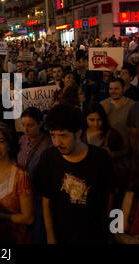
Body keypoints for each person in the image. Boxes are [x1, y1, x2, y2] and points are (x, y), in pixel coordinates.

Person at [39, 104, 115, 244]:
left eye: (63, 136)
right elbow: (46, 199)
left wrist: (114, 232)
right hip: (61, 234)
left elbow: (111, 198)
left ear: (79, 133)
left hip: (94, 235)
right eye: (52, 135)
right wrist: (50, 236)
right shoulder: (48, 158)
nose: (57, 142)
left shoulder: (101, 159)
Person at [17, 107, 51, 244]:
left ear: (40, 124)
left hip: (39, 199)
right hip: (22, 197)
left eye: (30, 125)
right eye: (23, 125)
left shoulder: (48, 145)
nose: (26, 129)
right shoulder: (20, 140)